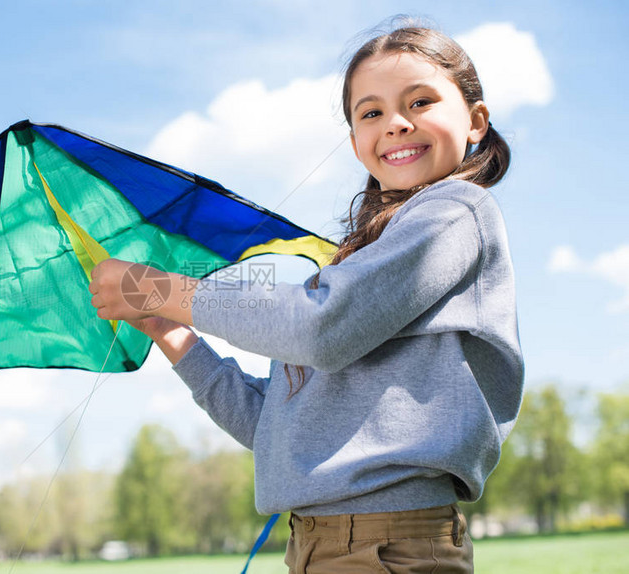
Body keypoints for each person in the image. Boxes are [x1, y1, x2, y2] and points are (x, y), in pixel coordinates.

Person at [89, 24, 523, 573]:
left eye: (420, 101)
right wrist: (172, 332)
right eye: (371, 113)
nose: (395, 122)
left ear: (476, 123)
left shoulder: (456, 212)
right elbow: (275, 430)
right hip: (320, 545)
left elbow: (318, 326)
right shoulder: (365, 259)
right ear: (355, 142)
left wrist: (163, 288)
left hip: (385, 547)